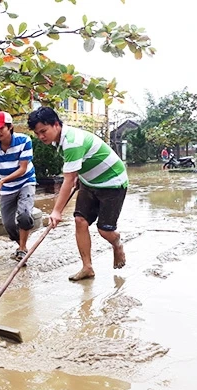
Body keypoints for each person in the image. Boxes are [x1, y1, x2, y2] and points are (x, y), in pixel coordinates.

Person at [27, 107, 127, 281]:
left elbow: (68, 178)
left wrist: (56, 211)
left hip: (112, 183)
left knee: (105, 231)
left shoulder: (72, 141)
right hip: (89, 181)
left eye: (44, 131)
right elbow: (75, 169)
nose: (41, 137)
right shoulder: (58, 140)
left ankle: (117, 244)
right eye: (37, 133)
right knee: (80, 221)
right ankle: (87, 267)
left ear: (56, 124)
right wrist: (78, 176)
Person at [0, 111, 36, 264]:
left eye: (1, 129)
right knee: (8, 224)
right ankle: (22, 247)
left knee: (24, 215)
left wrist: (2, 181)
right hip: (6, 187)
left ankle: (22, 249)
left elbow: (23, 169)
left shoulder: (24, 140)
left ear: (10, 127)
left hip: (25, 182)